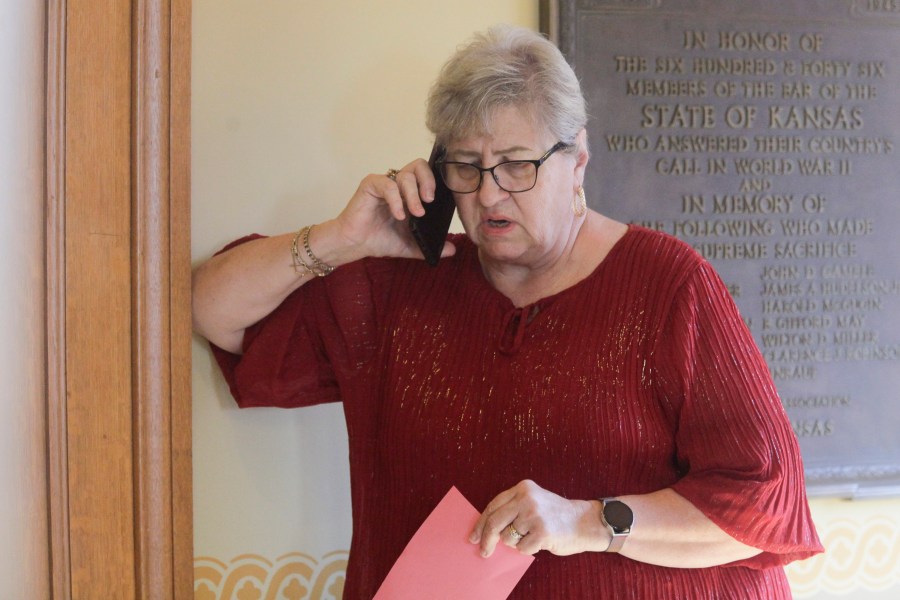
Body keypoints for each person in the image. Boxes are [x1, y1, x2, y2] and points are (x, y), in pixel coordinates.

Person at [192, 24, 823, 599]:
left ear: (577, 158)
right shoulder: (401, 287)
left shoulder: (669, 286)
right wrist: (340, 239)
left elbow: (766, 509)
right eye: (467, 166)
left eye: (517, 165)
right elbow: (216, 310)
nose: (490, 192)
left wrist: (588, 521)